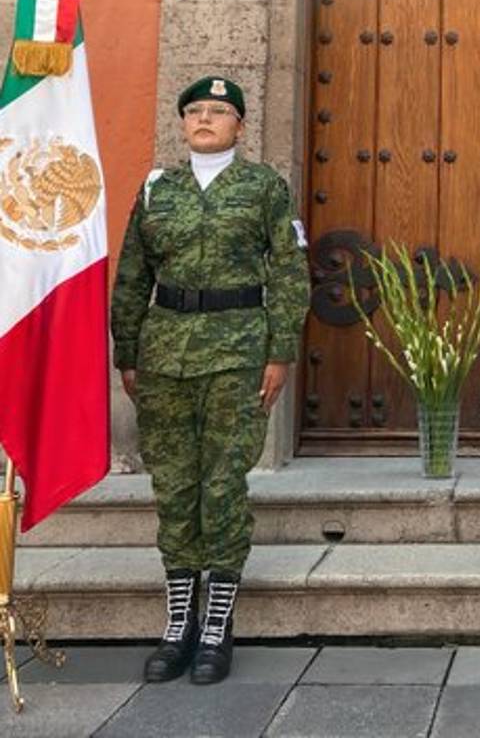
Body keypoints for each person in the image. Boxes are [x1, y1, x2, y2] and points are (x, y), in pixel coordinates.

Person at [110, 76, 310, 685]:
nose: (204, 119)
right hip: (165, 353)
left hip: (237, 352)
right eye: (194, 110)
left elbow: (290, 271)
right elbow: (132, 274)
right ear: (182, 123)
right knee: (174, 487)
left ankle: (217, 627)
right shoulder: (156, 189)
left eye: (218, 111)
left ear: (239, 127)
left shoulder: (263, 187)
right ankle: (179, 624)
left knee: (221, 486)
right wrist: (128, 351)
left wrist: (279, 351)